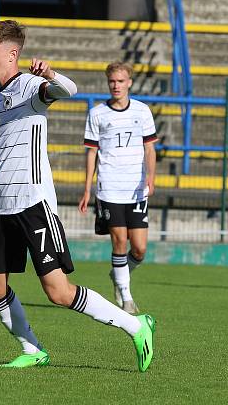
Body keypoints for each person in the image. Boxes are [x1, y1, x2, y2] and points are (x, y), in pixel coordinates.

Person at [0, 20, 155, 372]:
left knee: (57, 291)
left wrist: (51, 74)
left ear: (12, 55)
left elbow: (67, 90)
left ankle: (136, 325)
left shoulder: (31, 86)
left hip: (32, 202)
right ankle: (32, 349)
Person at [77, 61, 157, 314]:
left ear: (129, 83)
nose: (116, 86)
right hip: (109, 187)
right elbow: (91, 152)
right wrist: (87, 189)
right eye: (112, 81)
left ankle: (119, 273)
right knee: (119, 241)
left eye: (121, 81)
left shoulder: (142, 111)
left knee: (140, 249)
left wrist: (151, 178)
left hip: (135, 189)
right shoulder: (98, 113)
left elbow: (149, 148)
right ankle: (126, 296)